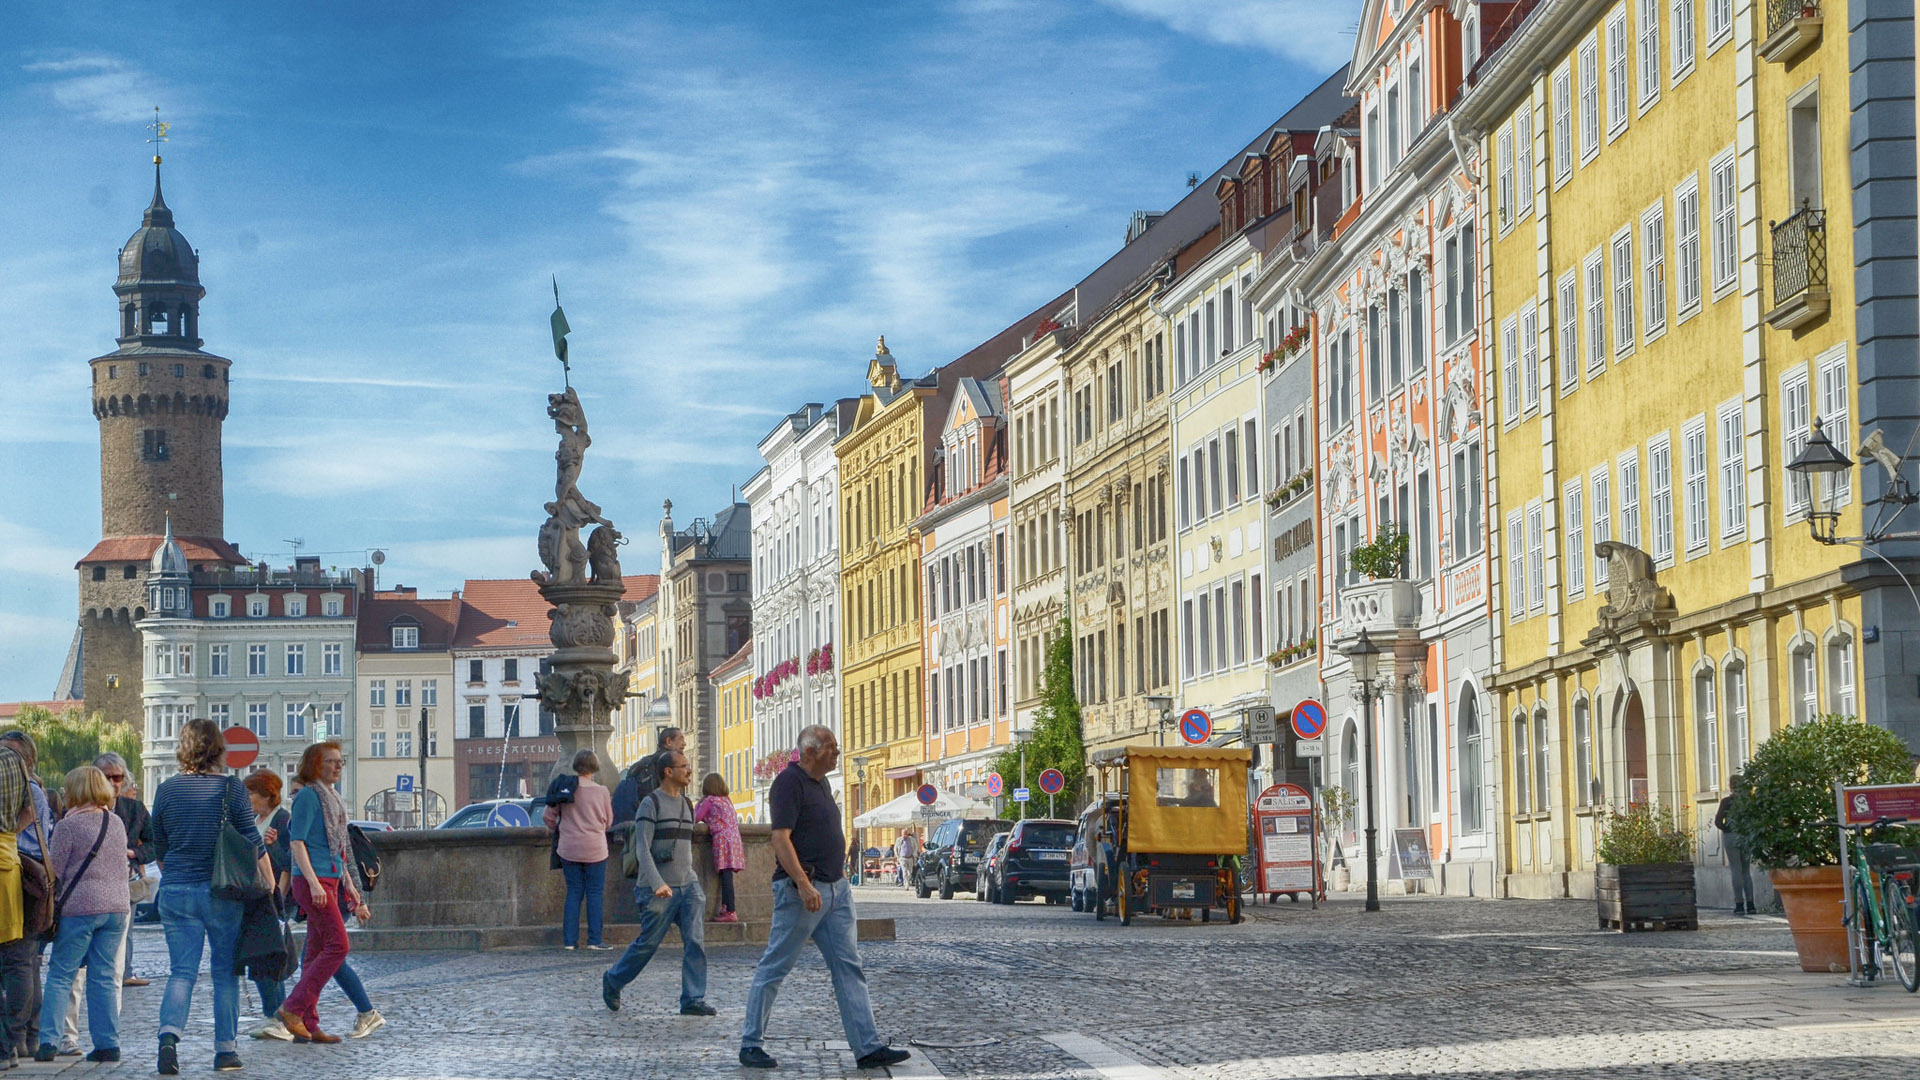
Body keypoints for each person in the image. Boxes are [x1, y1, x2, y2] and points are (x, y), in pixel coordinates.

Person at [738, 726, 908, 1071]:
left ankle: (867, 1047)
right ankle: (750, 1043)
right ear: (810, 752)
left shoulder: (823, 783)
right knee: (775, 966)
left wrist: (839, 878)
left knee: (849, 967)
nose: (838, 752)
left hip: (836, 890)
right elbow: (780, 839)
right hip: (802, 892)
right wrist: (803, 883)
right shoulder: (788, 784)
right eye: (831, 747)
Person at [150, 718, 268, 1074]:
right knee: (224, 973)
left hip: (176, 890)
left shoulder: (167, 790)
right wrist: (270, 884)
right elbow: (251, 837)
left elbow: (160, 844)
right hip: (222, 892)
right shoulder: (232, 789)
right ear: (219, 748)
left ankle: (168, 1039)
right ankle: (226, 1050)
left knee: (181, 972)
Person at [600, 749, 713, 1017]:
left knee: (696, 942)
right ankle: (613, 980)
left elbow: (685, 848)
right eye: (683, 766)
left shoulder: (687, 804)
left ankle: (692, 999)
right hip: (658, 889)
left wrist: (691, 879)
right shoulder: (651, 804)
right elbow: (642, 849)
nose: (689, 770)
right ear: (668, 771)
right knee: (647, 945)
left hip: (689, 886)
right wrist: (657, 883)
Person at [34, 766, 128, 1063]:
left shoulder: (68, 826)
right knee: (102, 976)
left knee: (62, 973)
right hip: (116, 909)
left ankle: (49, 1040)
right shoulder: (115, 823)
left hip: (80, 909)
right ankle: (107, 1044)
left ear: (74, 791)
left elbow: (55, 871)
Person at [278, 742, 367, 1044]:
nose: (338, 766)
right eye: (330, 761)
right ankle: (293, 1007)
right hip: (312, 882)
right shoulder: (307, 796)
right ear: (315, 765)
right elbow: (296, 843)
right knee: (339, 945)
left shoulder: (334, 798)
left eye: (340, 761)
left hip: (330, 879)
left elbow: (339, 849)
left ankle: (308, 1024)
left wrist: (351, 885)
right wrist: (314, 883)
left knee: (315, 952)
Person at [0, 731, 52, 1061]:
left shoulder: (30, 788)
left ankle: (16, 1040)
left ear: (27, 760)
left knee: (22, 962)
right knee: (23, 964)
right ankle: (20, 1040)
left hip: (22, 877)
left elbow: (31, 819)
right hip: (17, 872)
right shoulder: (32, 788)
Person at [544, 749, 614, 951]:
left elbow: (548, 816)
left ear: (576, 766)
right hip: (595, 849)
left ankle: (569, 941)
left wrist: (560, 828)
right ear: (595, 767)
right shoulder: (601, 791)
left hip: (569, 847)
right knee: (594, 893)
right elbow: (609, 821)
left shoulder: (566, 787)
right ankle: (594, 940)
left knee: (573, 892)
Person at [241, 772, 293, 1041]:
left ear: (266, 795)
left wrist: (279, 900)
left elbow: (289, 861)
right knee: (259, 960)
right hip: (255, 898)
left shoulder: (282, 819)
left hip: (272, 900)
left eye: (251, 793)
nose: (247, 799)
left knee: (271, 961)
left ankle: (278, 1018)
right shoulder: (254, 820)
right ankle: (271, 1015)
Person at [94, 753, 153, 989]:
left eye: (117, 777)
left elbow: (154, 844)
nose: (112, 782)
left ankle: (123, 972)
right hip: (91, 884)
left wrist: (134, 854)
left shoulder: (135, 809)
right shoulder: (81, 808)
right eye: (106, 777)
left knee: (124, 931)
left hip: (125, 882)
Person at [0, 738, 35, 1069]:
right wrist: (9, 833)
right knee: (15, 959)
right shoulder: (13, 760)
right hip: (8, 859)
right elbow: (30, 811)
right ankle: (11, 1043)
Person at [694, 774, 744, 923]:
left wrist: (699, 804)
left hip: (722, 839)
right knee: (727, 874)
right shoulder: (727, 801)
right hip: (734, 839)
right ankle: (725, 906)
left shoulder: (710, 801)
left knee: (726, 875)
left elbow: (696, 817)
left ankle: (730, 910)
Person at [612, 727, 684, 826]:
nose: (684, 743)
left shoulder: (645, 762)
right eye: (681, 739)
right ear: (668, 741)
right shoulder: (668, 763)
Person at [1715, 773, 1756, 915]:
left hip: (1731, 836)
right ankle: (1751, 905)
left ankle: (1739, 904)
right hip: (1746, 837)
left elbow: (1718, 822)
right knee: (1746, 871)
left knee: (1735, 870)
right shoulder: (1751, 801)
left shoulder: (1726, 801)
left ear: (1731, 786)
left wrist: (1728, 829)